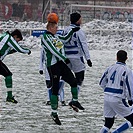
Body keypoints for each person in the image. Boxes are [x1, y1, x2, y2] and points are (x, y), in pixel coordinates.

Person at [41, 21, 84, 125]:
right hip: (53, 66)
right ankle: (54, 113)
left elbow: (65, 39)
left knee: (73, 82)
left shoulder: (56, 36)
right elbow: (52, 50)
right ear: (50, 28)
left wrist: (72, 31)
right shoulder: (45, 37)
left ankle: (74, 101)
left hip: (61, 63)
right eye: (56, 27)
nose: (57, 29)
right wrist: (64, 58)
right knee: (55, 90)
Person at [99, 50, 133, 133]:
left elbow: (101, 83)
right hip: (118, 98)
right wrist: (130, 99)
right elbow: (130, 86)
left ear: (116, 58)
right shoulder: (127, 71)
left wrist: (108, 90)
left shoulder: (110, 68)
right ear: (126, 58)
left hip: (107, 97)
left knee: (108, 123)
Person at [63, 12, 92, 95]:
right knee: (79, 78)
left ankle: (58, 96)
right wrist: (88, 59)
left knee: (63, 77)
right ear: (78, 20)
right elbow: (83, 45)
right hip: (76, 56)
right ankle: (74, 98)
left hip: (66, 57)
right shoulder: (79, 31)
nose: (81, 20)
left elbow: (61, 42)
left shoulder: (65, 30)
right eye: (80, 19)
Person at [0, 29, 31, 103]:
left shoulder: (5, 36)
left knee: (8, 74)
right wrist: (27, 51)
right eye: (17, 40)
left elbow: (4, 51)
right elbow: (19, 49)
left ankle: (9, 96)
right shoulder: (9, 38)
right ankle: (9, 97)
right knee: (8, 75)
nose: (17, 42)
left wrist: (12, 51)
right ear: (15, 36)